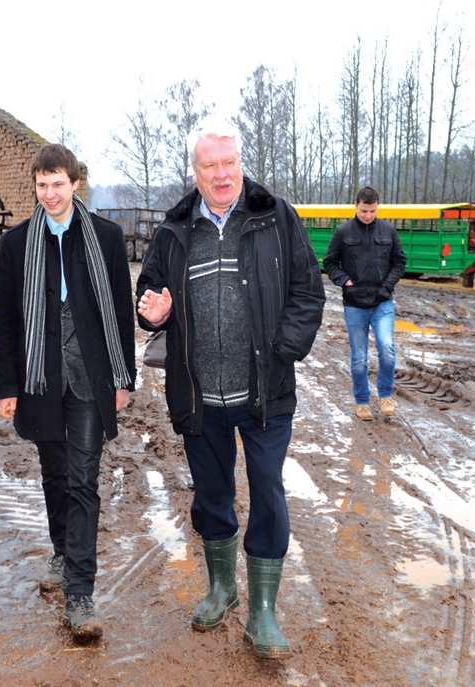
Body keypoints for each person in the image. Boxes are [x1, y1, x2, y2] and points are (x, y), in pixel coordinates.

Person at [136, 127, 324, 659]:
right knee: (212, 495)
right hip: (199, 396)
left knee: (267, 492)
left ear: (241, 162)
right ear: (194, 173)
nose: (221, 174)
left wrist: (281, 351)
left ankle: (263, 612)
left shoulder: (276, 217)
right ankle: (222, 587)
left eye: (229, 162)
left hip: (264, 394)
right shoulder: (174, 230)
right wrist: (153, 309)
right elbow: (148, 291)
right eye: (209, 166)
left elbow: (309, 293)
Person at [0, 144, 135, 640]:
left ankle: (80, 592)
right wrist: (5, 385)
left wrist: (122, 378)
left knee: (83, 481)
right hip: (40, 379)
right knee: (54, 475)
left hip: (91, 378)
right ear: (35, 187)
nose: (50, 194)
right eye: (42, 185)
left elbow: (118, 311)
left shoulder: (107, 238)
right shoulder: (16, 244)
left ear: (75, 184)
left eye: (58, 184)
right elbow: (5, 318)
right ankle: (60, 551)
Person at [322, 186, 406, 421]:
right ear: (355, 206)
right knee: (359, 357)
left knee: (387, 349)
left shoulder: (388, 230)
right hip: (354, 305)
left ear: (378, 206)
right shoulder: (343, 232)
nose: (368, 215)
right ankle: (362, 402)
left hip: (382, 303)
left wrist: (387, 285)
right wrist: (344, 281)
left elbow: (399, 262)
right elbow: (329, 263)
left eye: (372, 211)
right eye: (363, 211)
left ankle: (385, 396)